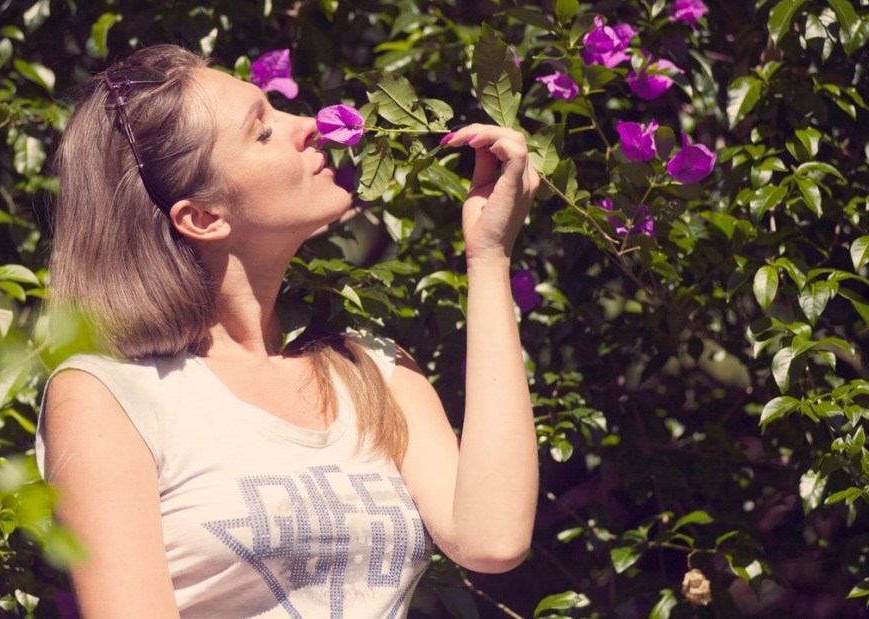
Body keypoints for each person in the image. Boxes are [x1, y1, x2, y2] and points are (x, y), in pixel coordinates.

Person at [36, 43, 540, 618]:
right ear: (203, 216)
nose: (308, 124)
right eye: (263, 131)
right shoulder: (111, 396)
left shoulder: (369, 368)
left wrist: (490, 258)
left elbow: (492, 539)